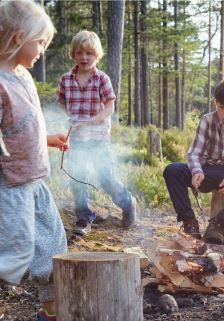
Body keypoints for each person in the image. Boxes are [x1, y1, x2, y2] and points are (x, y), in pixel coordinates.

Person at [0, 1, 68, 320]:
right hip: (9, 188)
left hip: (35, 183)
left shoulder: (22, 76)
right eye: (39, 42)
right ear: (16, 38)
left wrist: (49, 140)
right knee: (13, 257)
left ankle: (50, 311)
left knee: (53, 250)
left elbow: (21, 130)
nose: (43, 49)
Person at [56, 30, 137, 237]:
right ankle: (84, 216)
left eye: (89, 53)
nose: (84, 57)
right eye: (80, 52)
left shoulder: (102, 79)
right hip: (75, 138)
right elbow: (61, 102)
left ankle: (127, 203)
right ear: (73, 54)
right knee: (77, 175)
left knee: (104, 176)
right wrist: (70, 118)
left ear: (97, 55)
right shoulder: (66, 79)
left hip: (98, 137)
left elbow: (109, 108)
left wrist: (89, 122)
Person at [163, 77, 224, 244]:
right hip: (206, 171)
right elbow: (194, 153)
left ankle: (218, 223)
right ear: (215, 103)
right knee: (172, 170)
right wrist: (196, 171)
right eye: (222, 107)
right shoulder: (206, 120)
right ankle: (189, 222)